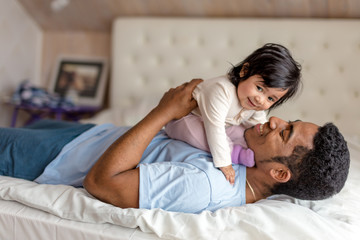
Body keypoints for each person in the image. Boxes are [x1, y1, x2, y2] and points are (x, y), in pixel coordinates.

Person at [0, 80, 350, 214]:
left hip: (59, 157)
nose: (275, 119)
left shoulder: (207, 187)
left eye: (285, 132)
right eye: (289, 120)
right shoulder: (247, 164)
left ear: (279, 173)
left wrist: (164, 111)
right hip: (92, 134)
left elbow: (102, 184)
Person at [165, 43, 302, 184]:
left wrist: (265, 140)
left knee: (242, 131)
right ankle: (235, 153)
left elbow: (258, 124)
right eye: (259, 88)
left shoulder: (254, 103)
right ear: (244, 71)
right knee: (202, 133)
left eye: (270, 98)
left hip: (223, 126)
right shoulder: (221, 90)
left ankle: (240, 148)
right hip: (184, 120)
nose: (260, 99)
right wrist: (224, 162)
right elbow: (214, 127)